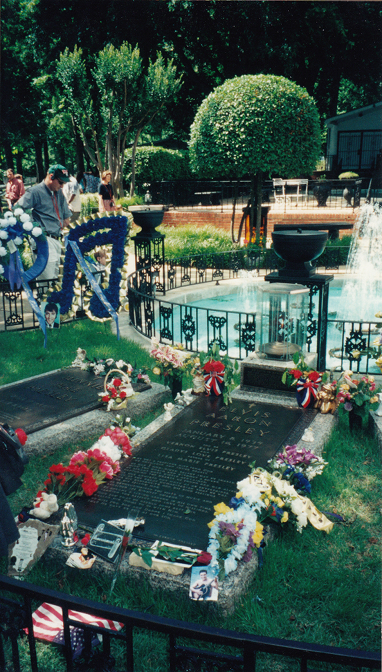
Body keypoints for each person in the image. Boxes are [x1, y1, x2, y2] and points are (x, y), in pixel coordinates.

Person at [16, 164, 71, 280]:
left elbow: (67, 220)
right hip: (44, 241)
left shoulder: (59, 193)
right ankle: (43, 299)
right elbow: (17, 209)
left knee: (60, 281)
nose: (62, 186)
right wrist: (33, 227)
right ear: (51, 176)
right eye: (60, 182)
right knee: (47, 281)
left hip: (59, 240)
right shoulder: (35, 191)